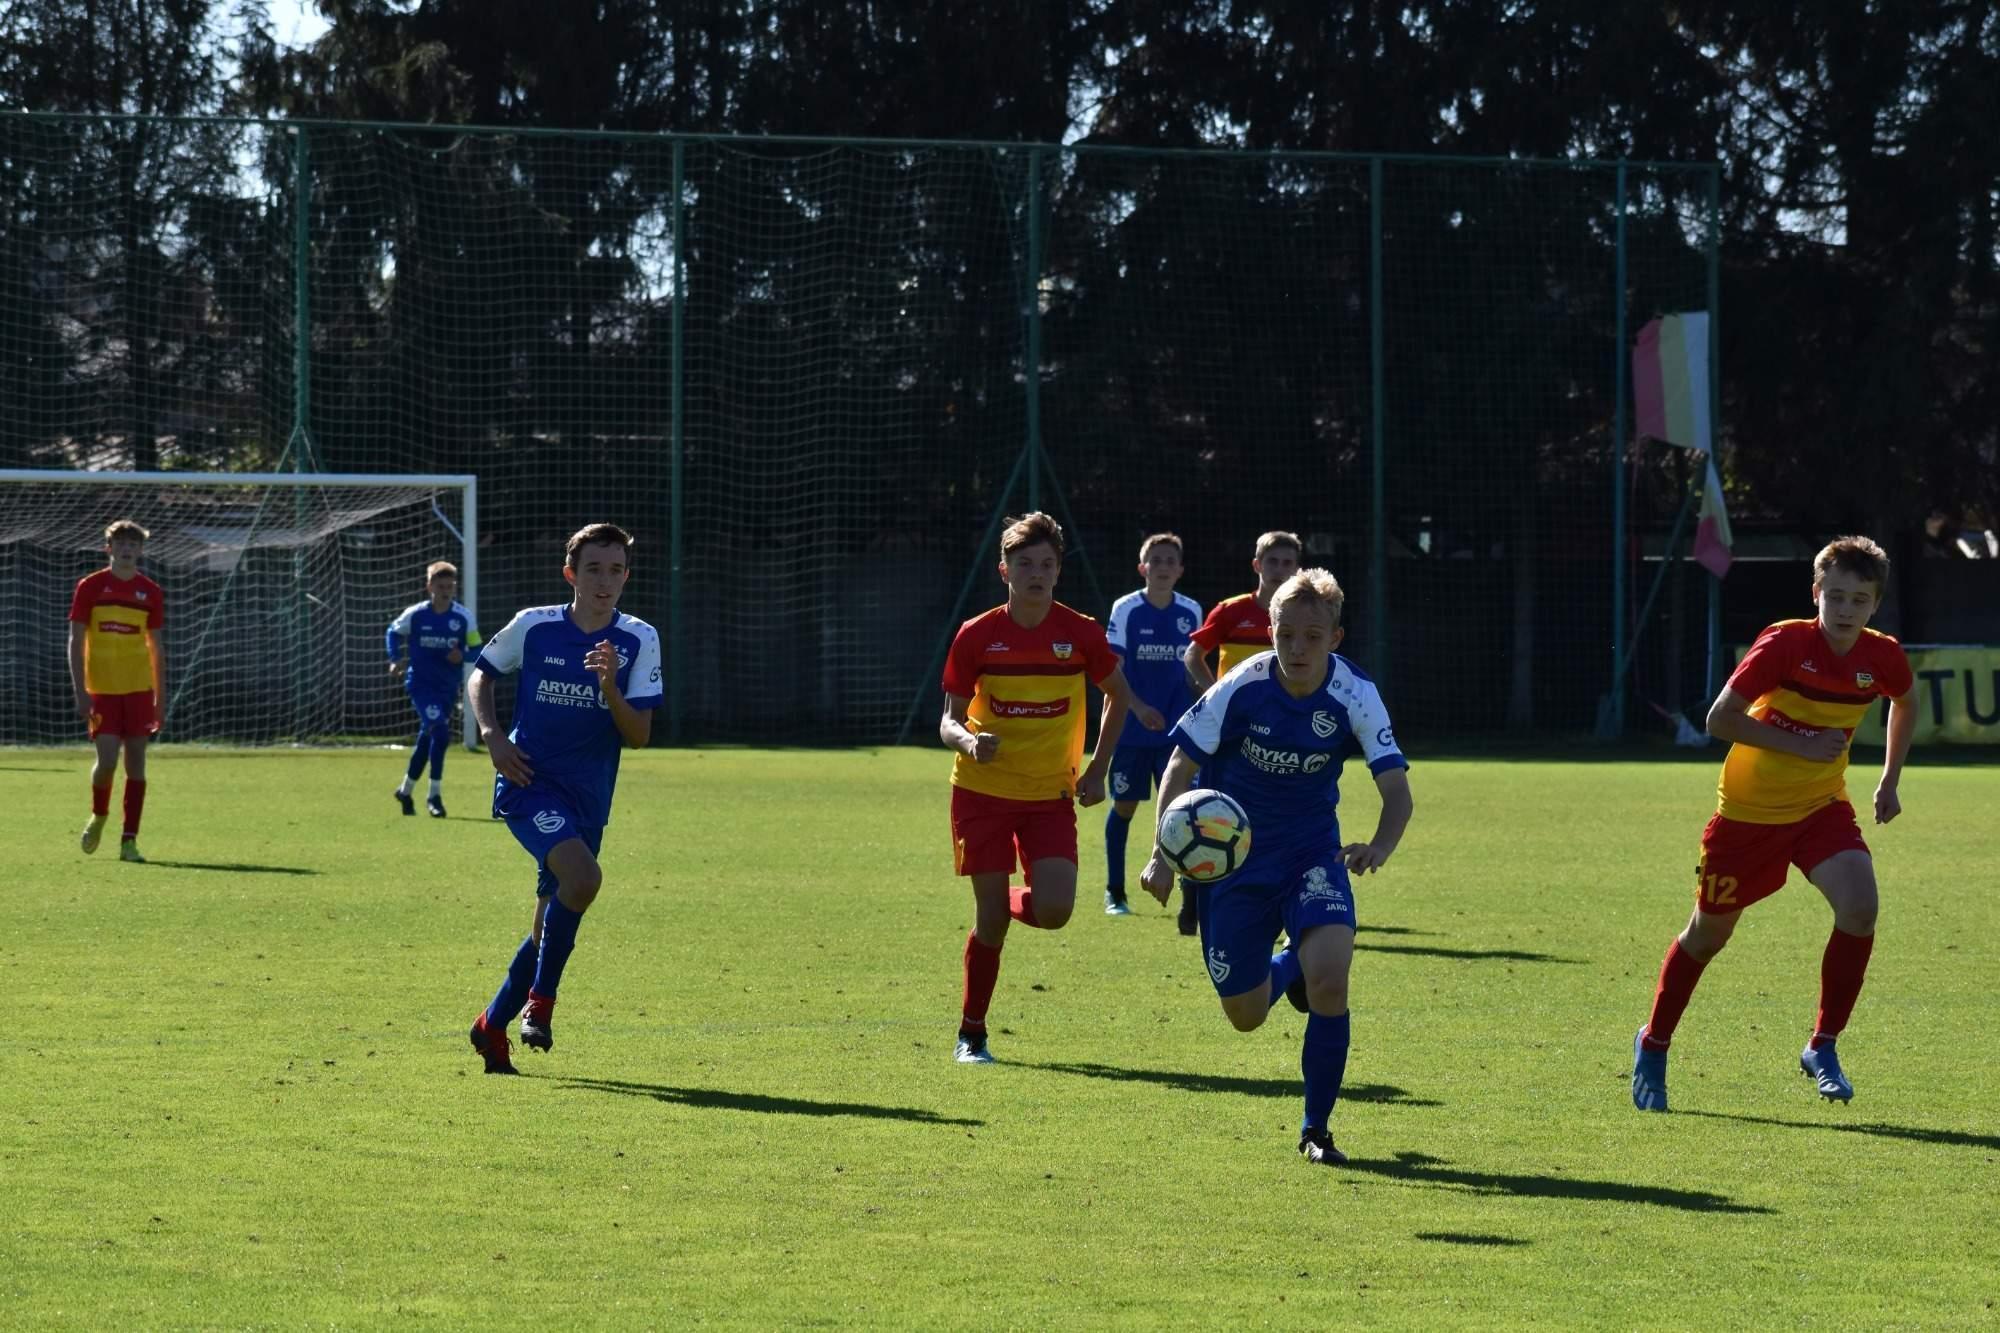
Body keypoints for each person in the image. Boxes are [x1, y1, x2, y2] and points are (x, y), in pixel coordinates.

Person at [1632, 535, 1917, 1112]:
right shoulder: (1786, 643)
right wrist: (1801, 742)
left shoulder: (1882, 656)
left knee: (1860, 909)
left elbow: (1904, 702)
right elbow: (1720, 719)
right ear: (1815, 593)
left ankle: (1823, 1045)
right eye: (1834, 596)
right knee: (1708, 936)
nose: (1844, 610)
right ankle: (1654, 1042)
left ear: (1874, 605)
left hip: (1820, 808)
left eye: (1858, 600)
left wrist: (1889, 779)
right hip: (1746, 817)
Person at [1140, 568, 1412, 1167]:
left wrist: (1380, 846)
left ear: (1335, 638)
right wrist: (1162, 854)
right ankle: (1287, 966)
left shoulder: (1355, 693)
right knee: (1246, 1014)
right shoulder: (1241, 685)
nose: (1297, 648)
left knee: (1332, 979)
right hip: (1233, 867)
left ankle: (1317, 1130)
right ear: (1271, 631)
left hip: (1313, 854)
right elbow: (1180, 769)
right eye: (1286, 634)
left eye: (1312, 637)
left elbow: (1397, 792)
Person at [941, 511, 1166, 1064]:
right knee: (990, 922)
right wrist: (970, 742)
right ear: (1005, 571)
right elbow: (947, 720)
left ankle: (1013, 898)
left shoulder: (1080, 631)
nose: (1036, 573)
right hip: (982, 793)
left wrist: (1097, 769)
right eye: (1025, 564)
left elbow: (1117, 695)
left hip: (1049, 797)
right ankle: (972, 1034)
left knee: (1056, 909)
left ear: (1058, 571)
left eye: (1046, 564)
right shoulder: (977, 635)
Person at [464, 523, 661, 1075]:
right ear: (571, 573)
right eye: (594, 569)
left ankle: (489, 1025)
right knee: (585, 879)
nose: (605, 581)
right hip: (529, 782)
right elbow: (481, 676)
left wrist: (609, 690)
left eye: (616, 570)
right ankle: (541, 1005)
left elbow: (639, 735)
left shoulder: (639, 639)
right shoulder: (535, 627)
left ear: (626, 576)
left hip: (589, 796)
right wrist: (493, 736)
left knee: (547, 924)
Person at [1171, 529, 1303, 934]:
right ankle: (1193, 889)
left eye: (1287, 563)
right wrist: (1213, 695)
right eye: (1272, 562)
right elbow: (1193, 653)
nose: (1279, 570)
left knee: (1275, 815)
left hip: (1280, 736)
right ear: (1256, 565)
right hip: (1229, 737)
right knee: (1211, 816)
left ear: (1298, 569)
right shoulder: (1231, 611)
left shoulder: (1302, 618)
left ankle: (1274, 900)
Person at [1102, 533, 1202, 915]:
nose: (1162, 567)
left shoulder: (1191, 611)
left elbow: (1194, 670)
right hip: (1131, 730)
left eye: (1169, 561)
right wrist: (1138, 707)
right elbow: (1113, 670)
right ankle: (1115, 893)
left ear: (1180, 570)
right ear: (1143, 568)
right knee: (1125, 805)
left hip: (1177, 735)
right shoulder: (1126, 608)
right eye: (1154, 560)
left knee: (1184, 809)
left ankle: (1191, 899)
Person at [68, 519, 165, 863]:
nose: (127, 549)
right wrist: (81, 691)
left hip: (139, 689)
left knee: (136, 765)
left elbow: (156, 649)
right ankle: (99, 814)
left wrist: (159, 700)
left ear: (141, 550)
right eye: (121, 543)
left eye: (133, 544)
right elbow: (76, 641)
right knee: (107, 762)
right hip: (103, 690)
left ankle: (129, 841)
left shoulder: (150, 591)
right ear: (109, 549)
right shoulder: (91, 586)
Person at [386, 560, 482, 818]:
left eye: (450, 586)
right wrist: (395, 659)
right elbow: (393, 632)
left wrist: (462, 654)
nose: (446, 591)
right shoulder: (416, 614)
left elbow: (477, 649)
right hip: (420, 685)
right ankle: (434, 796)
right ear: (429, 586)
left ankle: (405, 791)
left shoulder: (463, 617)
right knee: (440, 734)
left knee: (427, 737)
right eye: (441, 586)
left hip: (447, 688)